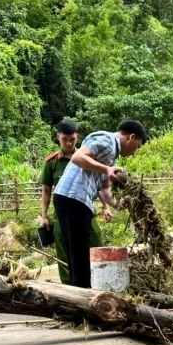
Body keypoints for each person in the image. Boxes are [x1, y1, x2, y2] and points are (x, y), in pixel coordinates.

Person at [53, 120, 147, 288]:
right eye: (137, 147)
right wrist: (106, 170)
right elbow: (77, 157)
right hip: (73, 197)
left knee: (78, 255)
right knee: (81, 256)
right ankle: (80, 301)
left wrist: (124, 204)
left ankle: (77, 296)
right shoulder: (108, 140)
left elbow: (105, 191)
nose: (134, 152)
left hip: (76, 200)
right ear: (131, 137)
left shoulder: (111, 156)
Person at [40, 120, 105, 285]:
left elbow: (99, 185)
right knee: (65, 254)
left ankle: (98, 284)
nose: (68, 143)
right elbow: (47, 190)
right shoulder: (52, 162)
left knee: (96, 244)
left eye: (72, 139)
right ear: (58, 137)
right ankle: (70, 291)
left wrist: (106, 207)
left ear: (78, 138)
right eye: (64, 139)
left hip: (85, 211)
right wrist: (44, 216)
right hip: (63, 216)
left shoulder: (88, 158)